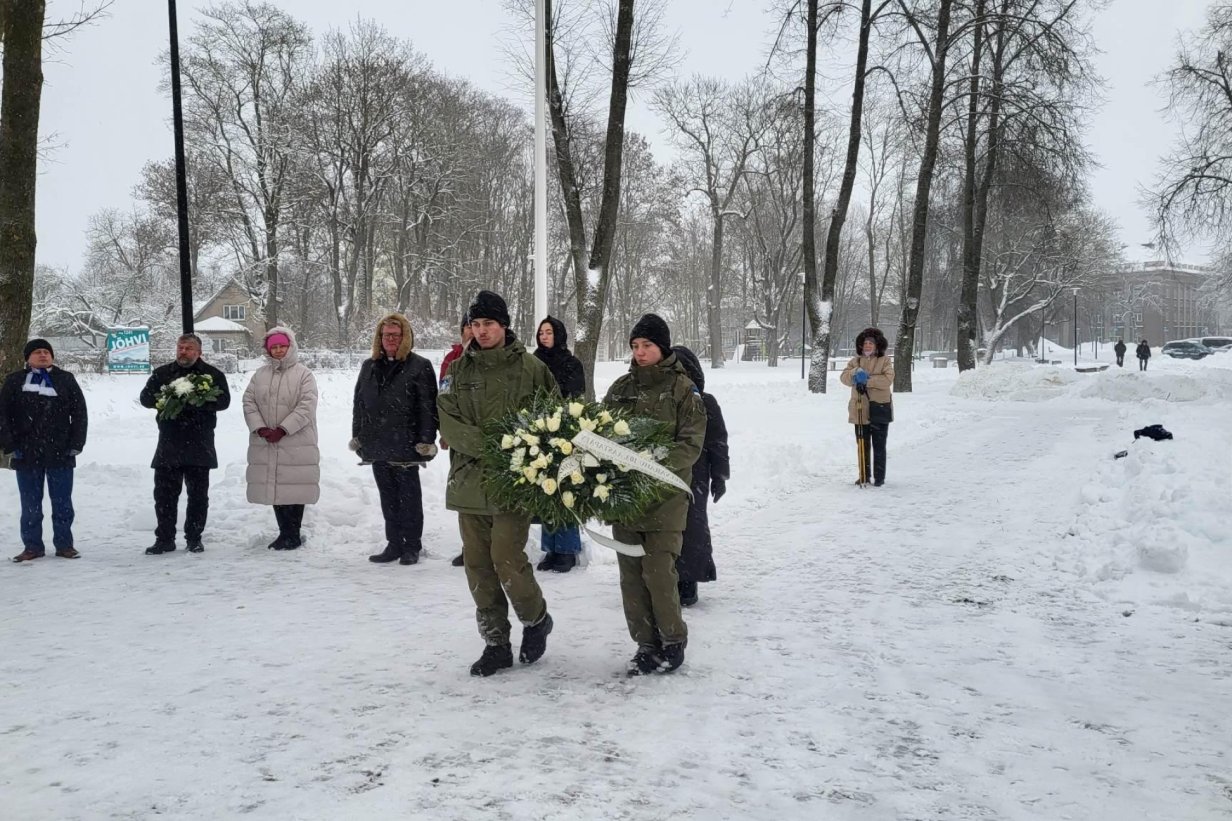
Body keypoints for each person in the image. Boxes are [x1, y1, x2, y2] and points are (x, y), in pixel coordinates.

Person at [438, 290, 558, 677]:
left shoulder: (532, 369)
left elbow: (553, 418)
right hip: (469, 482)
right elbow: (448, 421)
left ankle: (536, 619)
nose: (482, 331)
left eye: (488, 323)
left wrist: (522, 453)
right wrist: (494, 445)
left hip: (514, 482)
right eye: (475, 324)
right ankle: (496, 643)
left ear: (504, 325)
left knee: (507, 559)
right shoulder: (457, 371)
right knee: (478, 567)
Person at [603, 314, 706, 675]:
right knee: (631, 577)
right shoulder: (620, 388)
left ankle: (673, 640)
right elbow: (601, 433)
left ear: (662, 347)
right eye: (635, 346)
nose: (640, 352)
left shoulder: (683, 389)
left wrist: (649, 464)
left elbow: (690, 445)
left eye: (647, 345)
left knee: (659, 573)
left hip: (665, 498)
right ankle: (645, 644)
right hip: (626, 499)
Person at [350, 313, 438, 566]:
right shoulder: (369, 366)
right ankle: (394, 543)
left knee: (409, 499)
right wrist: (358, 437)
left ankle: (412, 545)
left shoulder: (419, 366)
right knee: (388, 498)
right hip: (377, 443)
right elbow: (359, 405)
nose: (390, 339)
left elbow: (428, 407)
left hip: (406, 444)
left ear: (405, 337)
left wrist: (426, 440)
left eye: (395, 335)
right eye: (386, 335)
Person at [140, 333, 231, 555]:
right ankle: (164, 539)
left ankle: (194, 538)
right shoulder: (163, 373)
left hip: (200, 443)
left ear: (199, 352)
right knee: (164, 496)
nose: (183, 352)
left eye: (189, 348)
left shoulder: (212, 375)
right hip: (169, 443)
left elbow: (224, 401)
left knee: (198, 497)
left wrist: (197, 401)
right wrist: (167, 398)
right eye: (180, 347)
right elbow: (145, 398)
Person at [1, 339, 88, 562]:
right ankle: (32, 547)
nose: (43, 355)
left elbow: (79, 413)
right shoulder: (15, 381)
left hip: (60, 451)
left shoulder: (65, 379)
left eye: (46, 352)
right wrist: (9, 444)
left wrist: (76, 443)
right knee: (30, 505)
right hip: (26, 451)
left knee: (62, 503)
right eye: (37, 352)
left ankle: (64, 545)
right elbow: (3, 414)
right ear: (27, 357)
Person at [243, 327, 320, 551]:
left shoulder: (304, 374)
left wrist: (283, 429)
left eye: (282, 346)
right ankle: (283, 532)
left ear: (290, 347)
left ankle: (292, 534)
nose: (278, 350)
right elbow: (248, 402)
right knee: (275, 487)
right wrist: (260, 428)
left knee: (294, 487)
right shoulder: (260, 375)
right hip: (267, 440)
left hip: (296, 440)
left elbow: (307, 406)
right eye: (273, 347)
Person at [670, 345, 729, 607]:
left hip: (697, 474)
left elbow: (718, 442)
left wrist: (720, 476)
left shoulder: (705, 402)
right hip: (667, 473)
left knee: (692, 527)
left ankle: (688, 579)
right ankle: (665, 577)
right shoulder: (664, 402)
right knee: (665, 527)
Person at [533, 315, 587, 573]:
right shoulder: (533, 362)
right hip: (538, 433)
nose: (544, 337)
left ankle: (567, 549)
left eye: (549, 332)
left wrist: (561, 418)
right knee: (546, 487)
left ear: (559, 335)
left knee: (565, 488)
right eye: (541, 333)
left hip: (565, 432)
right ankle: (551, 548)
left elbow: (575, 398)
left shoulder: (571, 363)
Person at [840, 327, 894, 487]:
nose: (868, 346)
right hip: (860, 409)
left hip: (879, 408)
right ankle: (864, 475)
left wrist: (867, 381)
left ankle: (879, 477)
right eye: (865, 343)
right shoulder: (855, 362)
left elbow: (887, 380)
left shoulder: (885, 361)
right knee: (862, 444)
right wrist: (855, 373)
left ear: (877, 345)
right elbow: (844, 378)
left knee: (879, 445)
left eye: (871, 343)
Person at [441, 314, 472, 568]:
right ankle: (469, 546)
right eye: (468, 326)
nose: (472, 331)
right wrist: (446, 431)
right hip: (460, 439)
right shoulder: (452, 360)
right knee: (465, 494)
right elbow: (443, 396)